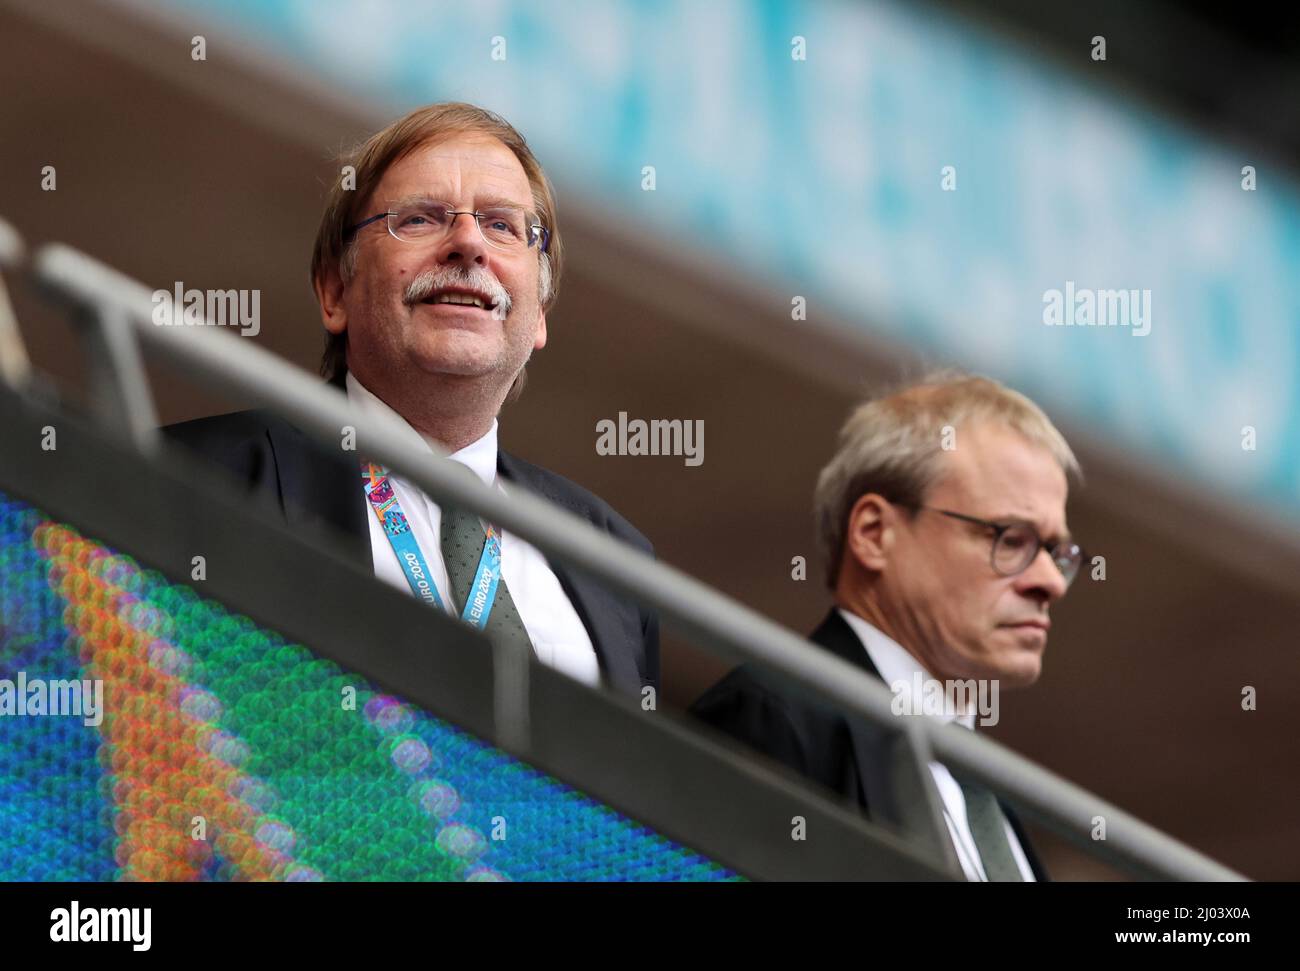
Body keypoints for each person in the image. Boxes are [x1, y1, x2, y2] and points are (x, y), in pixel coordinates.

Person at [164, 102, 657, 698]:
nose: (469, 243)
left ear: (540, 316)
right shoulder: (196, 476)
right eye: (421, 219)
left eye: (503, 226)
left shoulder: (615, 561)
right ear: (334, 290)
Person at [691, 371, 1084, 880]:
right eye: (1011, 539)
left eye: (1058, 552)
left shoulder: (996, 810)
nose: (1050, 581)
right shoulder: (774, 718)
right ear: (874, 533)